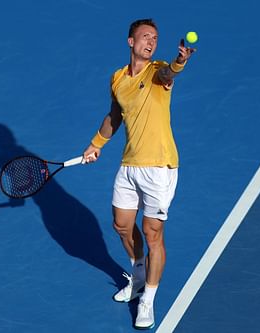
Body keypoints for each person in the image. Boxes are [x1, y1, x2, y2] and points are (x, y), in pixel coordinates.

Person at [82, 18, 195, 330]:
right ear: (130, 41)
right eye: (145, 37)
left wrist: (179, 61)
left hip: (159, 167)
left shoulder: (158, 71)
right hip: (129, 165)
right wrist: (96, 144)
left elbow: (168, 72)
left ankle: (148, 300)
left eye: (155, 38)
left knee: (152, 233)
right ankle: (139, 273)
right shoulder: (118, 79)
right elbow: (114, 116)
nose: (151, 41)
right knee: (122, 225)